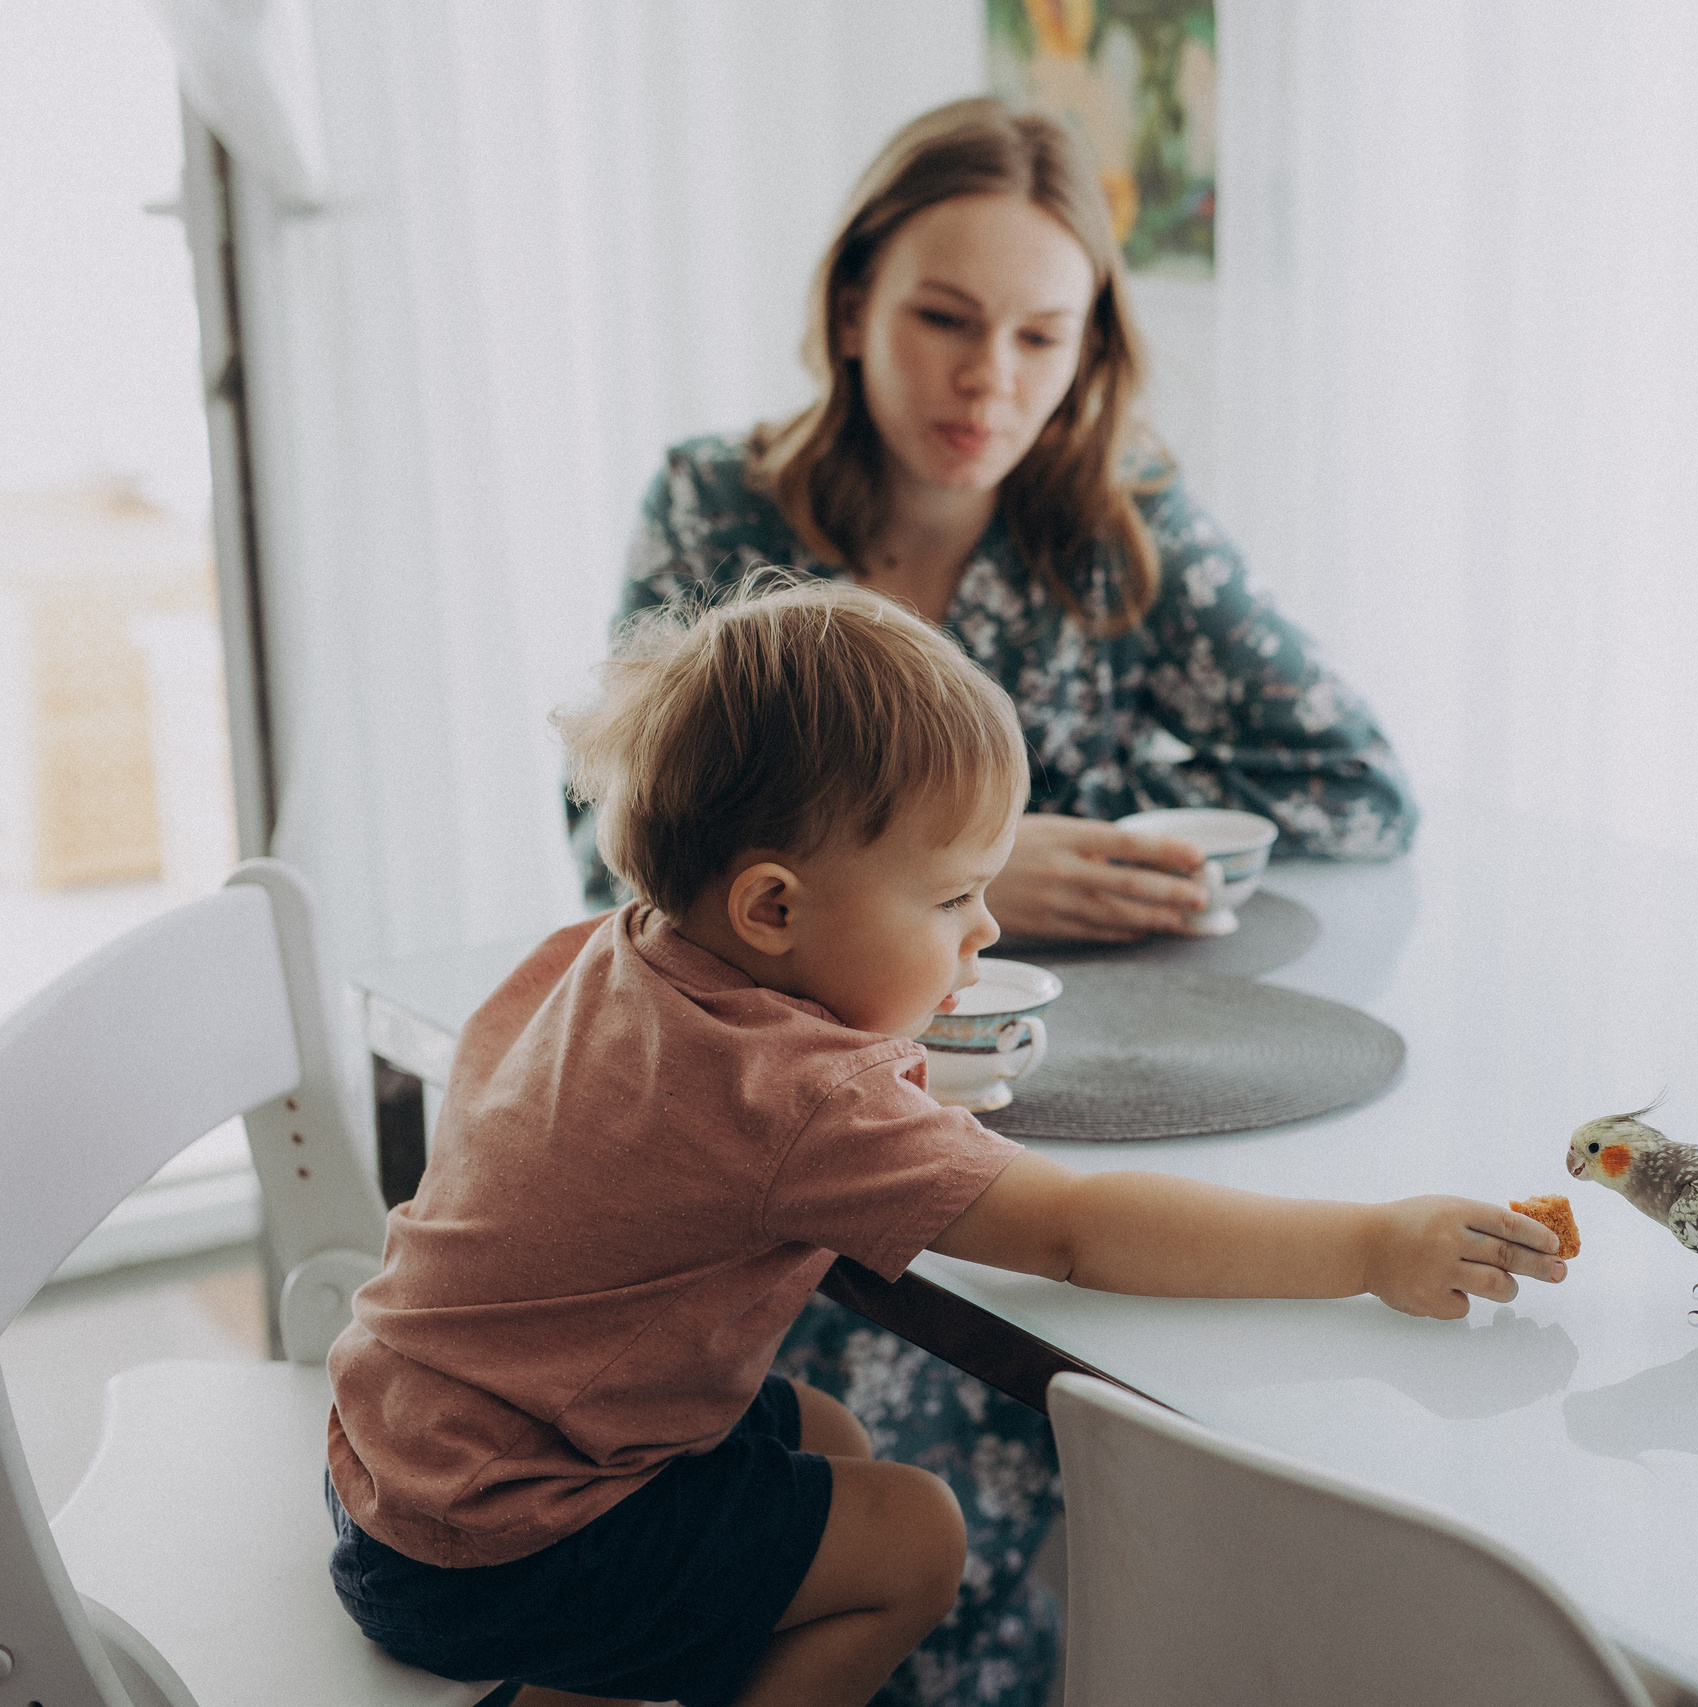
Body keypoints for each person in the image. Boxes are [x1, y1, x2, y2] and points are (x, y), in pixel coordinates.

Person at [334, 581, 1561, 1707]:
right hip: (503, 1539)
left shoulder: (611, 951)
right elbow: (1075, 1234)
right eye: (950, 897)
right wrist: (1367, 1241)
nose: (981, 931)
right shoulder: (794, 1097)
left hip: (392, 1459)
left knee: (823, 1439)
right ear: (772, 908)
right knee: (915, 1536)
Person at [564, 98, 1420, 1703]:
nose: (991, 382)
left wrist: (1107, 849)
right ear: (851, 308)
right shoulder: (719, 510)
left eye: (1043, 335)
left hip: (1086, 1095)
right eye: (945, 322)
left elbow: (1360, 791)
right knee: (958, 1429)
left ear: (1089, 346)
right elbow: (601, 844)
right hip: (795, 1151)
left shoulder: (1117, 523)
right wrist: (978, 871)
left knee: (1197, 1410)